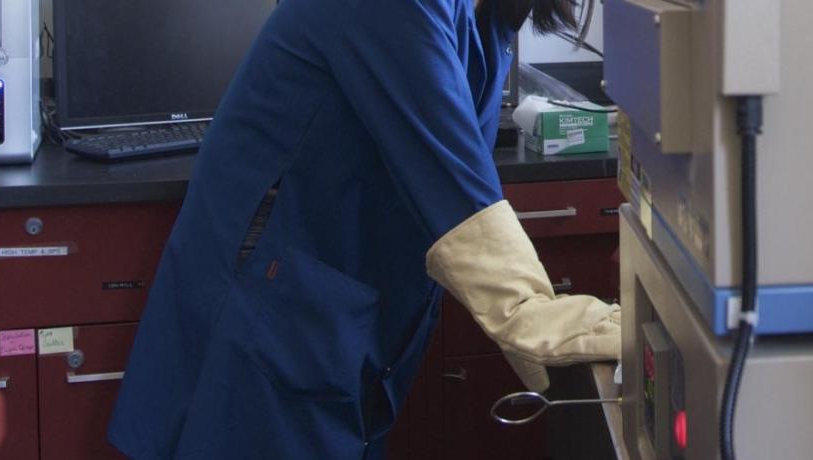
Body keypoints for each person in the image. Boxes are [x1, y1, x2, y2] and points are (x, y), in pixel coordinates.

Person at [105, 0, 619, 458]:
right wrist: (533, 317)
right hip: (277, 280)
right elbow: (454, 181)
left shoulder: (492, 13)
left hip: (350, 283)